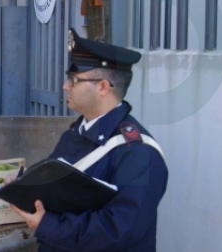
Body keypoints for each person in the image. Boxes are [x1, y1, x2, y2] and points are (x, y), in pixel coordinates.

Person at [12, 28, 169, 252]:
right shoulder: (78, 132)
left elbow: (119, 231)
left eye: (74, 80)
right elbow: (54, 185)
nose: (66, 86)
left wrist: (50, 226)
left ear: (103, 87)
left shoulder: (138, 152)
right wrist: (20, 186)